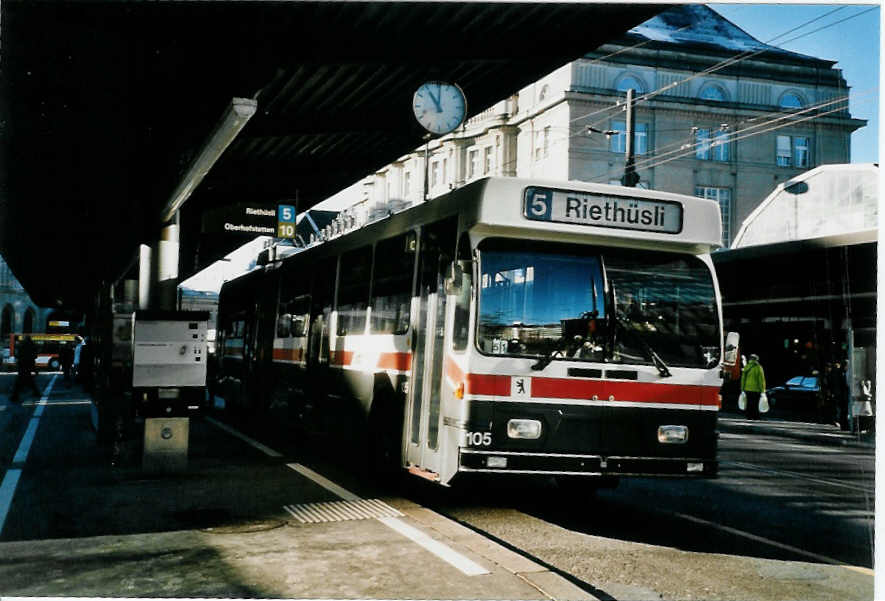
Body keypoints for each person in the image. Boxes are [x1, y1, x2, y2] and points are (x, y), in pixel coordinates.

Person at [10, 335, 40, 403]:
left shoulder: (22, 345)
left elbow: (18, 354)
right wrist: (34, 369)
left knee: (20, 380)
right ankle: (36, 393)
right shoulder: (33, 345)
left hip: (22, 364)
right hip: (29, 364)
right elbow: (35, 356)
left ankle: (15, 396)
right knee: (29, 380)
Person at [740, 353, 766, 420]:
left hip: (747, 388)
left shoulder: (746, 367)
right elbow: (761, 380)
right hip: (756, 389)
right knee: (755, 403)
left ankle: (748, 416)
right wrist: (763, 390)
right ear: (757, 359)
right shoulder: (759, 367)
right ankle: (755, 416)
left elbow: (743, 379)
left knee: (748, 402)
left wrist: (742, 388)